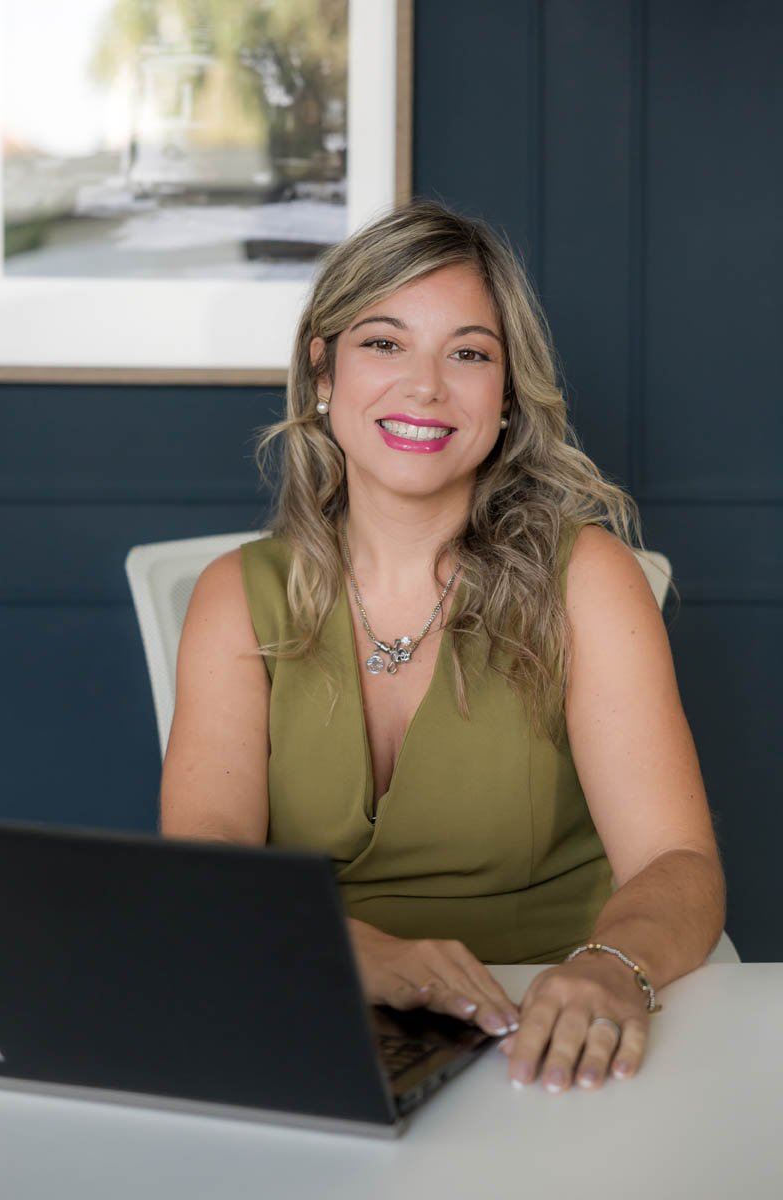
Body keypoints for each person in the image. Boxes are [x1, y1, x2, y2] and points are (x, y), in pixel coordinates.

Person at [160, 200, 725, 1094]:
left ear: (505, 396)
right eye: (385, 343)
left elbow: (675, 864)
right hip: (323, 1013)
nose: (425, 386)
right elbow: (206, 868)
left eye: (468, 353)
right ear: (323, 369)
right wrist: (354, 955)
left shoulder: (587, 578)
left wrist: (610, 968)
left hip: (556, 1019)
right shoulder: (239, 594)